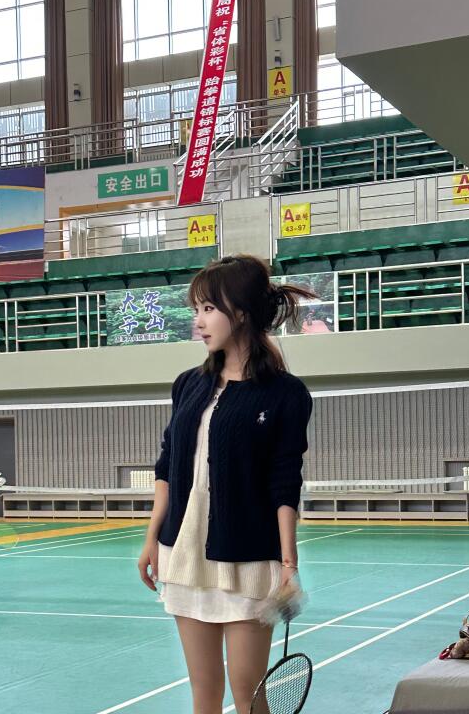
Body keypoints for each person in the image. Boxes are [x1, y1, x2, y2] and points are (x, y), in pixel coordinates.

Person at [138, 254, 316, 714]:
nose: (197, 322)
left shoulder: (285, 393)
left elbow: (284, 479)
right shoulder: (188, 385)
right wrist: (152, 538)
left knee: (249, 693)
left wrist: (288, 561)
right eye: (196, 310)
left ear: (240, 313)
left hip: (248, 560)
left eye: (208, 309)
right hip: (185, 556)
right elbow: (167, 465)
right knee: (204, 692)